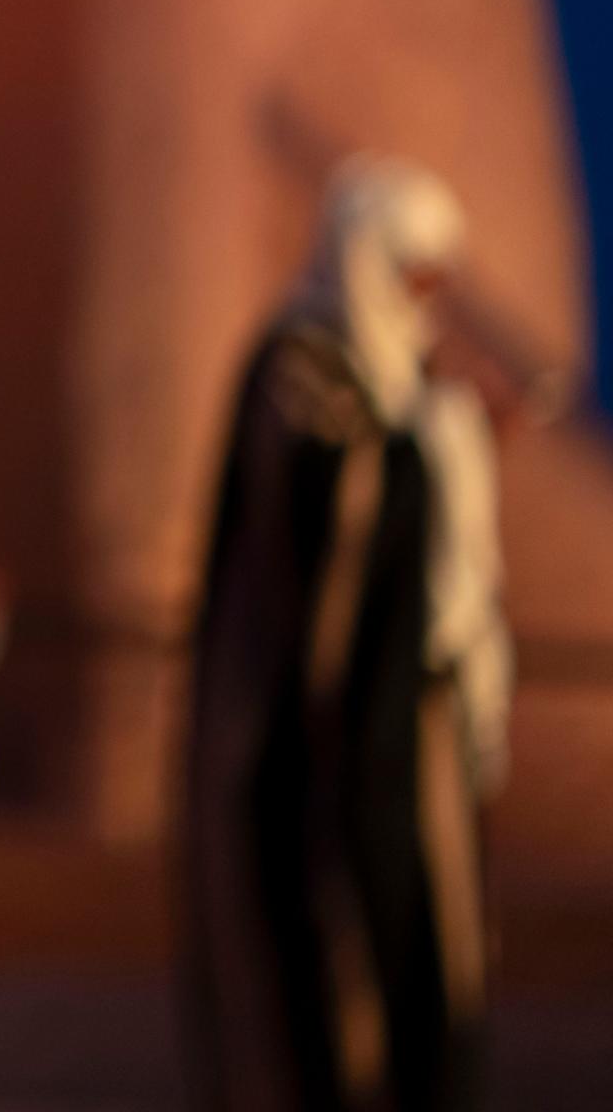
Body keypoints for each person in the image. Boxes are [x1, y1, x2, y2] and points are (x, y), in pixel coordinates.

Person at [183, 155, 508, 1112]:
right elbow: (319, 530)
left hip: (407, 726)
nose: (426, 300)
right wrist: (430, 437)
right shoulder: (294, 367)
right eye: (414, 275)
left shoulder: (397, 375)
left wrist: (440, 425)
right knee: (318, 968)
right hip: (302, 741)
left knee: (426, 949)